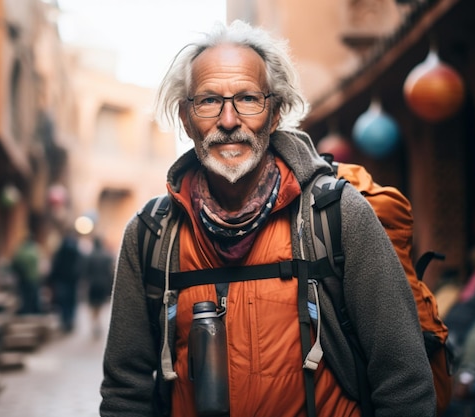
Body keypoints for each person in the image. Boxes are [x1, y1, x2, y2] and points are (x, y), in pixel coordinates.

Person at [99, 20, 435, 417]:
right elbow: (125, 393)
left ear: (275, 113)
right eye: (208, 101)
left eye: (248, 99)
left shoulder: (337, 216)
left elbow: (405, 383)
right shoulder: (151, 234)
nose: (228, 121)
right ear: (186, 119)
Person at [47, 231, 83, 332]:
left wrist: (51, 280)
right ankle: (70, 320)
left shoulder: (60, 253)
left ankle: (65, 321)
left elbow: (55, 267)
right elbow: (81, 267)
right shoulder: (76, 253)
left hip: (62, 282)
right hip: (73, 282)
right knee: (72, 302)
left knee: (63, 302)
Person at [83, 236, 114, 338]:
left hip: (93, 284)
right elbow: (110, 272)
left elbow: (86, 272)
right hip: (103, 284)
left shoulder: (90, 256)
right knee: (99, 304)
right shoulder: (106, 256)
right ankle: (98, 323)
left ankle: (95, 323)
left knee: (93, 305)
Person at [11, 232, 43, 314]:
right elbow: (40, 264)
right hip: (34, 278)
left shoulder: (21, 250)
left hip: (23, 278)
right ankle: (34, 310)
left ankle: (26, 310)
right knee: (34, 296)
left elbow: (15, 263)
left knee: (25, 296)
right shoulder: (35, 249)